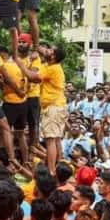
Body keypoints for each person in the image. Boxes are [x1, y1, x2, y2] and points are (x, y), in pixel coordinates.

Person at [14, 44, 67, 174]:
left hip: (53, 107)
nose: (46, 50)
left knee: (50, 140)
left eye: (49, 50)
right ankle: (57, 166)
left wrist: (20, 64)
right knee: (55, 139)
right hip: (56, 106)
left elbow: (33, 77)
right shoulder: (49, 66)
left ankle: (52, 171)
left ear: (53, 56)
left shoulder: (52, 68)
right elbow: (41, 50)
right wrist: (36, 46)